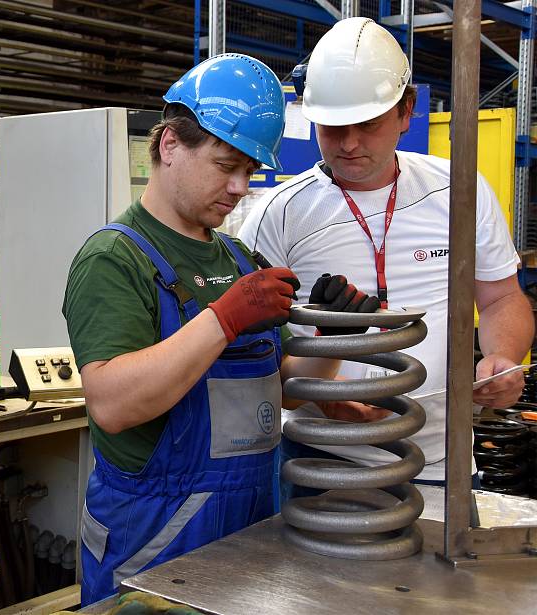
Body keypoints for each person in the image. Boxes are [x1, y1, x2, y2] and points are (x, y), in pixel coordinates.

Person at [63, 53, 377, 605]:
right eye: (224, 164)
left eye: (249, 171)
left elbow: (282, 382)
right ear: (169, 145)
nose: (238, 186)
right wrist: (224, 318)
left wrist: (332, 337)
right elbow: (111, 403)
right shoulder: (116, 258)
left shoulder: (236, 258)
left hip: (251, 518)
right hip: (154, 533)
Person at [238, 17, 534, 492]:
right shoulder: (280, 213)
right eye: (333, 127)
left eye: (369, 124)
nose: (350, 144)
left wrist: (503, 357)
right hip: (319, 459)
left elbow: (501, 298)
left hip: (440, 459)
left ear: (406, 112)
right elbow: (252, 347)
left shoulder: (458, 193)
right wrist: (318, 395)